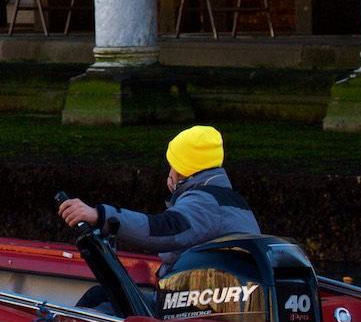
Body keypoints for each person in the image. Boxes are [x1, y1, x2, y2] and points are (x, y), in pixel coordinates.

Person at [59, 125, 260, 307]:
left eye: (173, 165)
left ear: (183, 171)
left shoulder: (205, 204)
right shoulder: (233, 201)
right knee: (99, 295)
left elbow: (164, 229)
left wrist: (99, 216)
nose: (169, 172)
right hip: (200, 302)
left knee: (97, 307)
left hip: (193, 308)